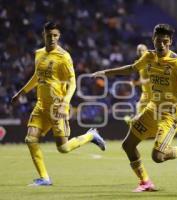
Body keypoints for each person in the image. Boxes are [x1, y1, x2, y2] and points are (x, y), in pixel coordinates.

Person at [93, 24, 177, 192]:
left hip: (168, 114)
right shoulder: (148, 56)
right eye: (158, 40)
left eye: (165, 41)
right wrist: (105, 72)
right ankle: (145, 182)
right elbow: (131, 69)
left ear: (170, 42)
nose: (161, 44)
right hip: (151, 109)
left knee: (158, 157)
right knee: (128, 145)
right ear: (153, 40)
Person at [11, 22, 106, 186]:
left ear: (59, 36)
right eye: (49, 35)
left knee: (63, 148)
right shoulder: (38, 54)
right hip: (41, 105)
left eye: (55, 35)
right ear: (44, 35)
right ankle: (44, 178)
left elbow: (73, 82)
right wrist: (21, 92)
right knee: (30, 139)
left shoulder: (64, 56)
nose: (52, 38)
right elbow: (37, 76)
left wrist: (65, 102)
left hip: (57, 106)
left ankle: (91, 135)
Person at [124, 43, 177, 144]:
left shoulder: (152, 61)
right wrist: (133, 82)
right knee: (138, 121)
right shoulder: (139, 63)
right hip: (145, 96)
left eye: (142, 50)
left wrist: (139, 82)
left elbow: (154, 77)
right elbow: (139, 78)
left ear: (147, 50)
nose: (140, 52)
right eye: (138, 50)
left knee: (150, 123)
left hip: (155, 96)